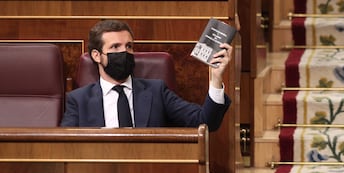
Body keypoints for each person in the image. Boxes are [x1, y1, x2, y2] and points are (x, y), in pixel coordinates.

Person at [60, 20, 232, 132]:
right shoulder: (78, 100)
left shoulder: (156, 91)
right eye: (115, 47)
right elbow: (64, 146)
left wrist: (216, 78)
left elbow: (206, 122)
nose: (124, 52)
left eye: (128, 46)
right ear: (97, 56)